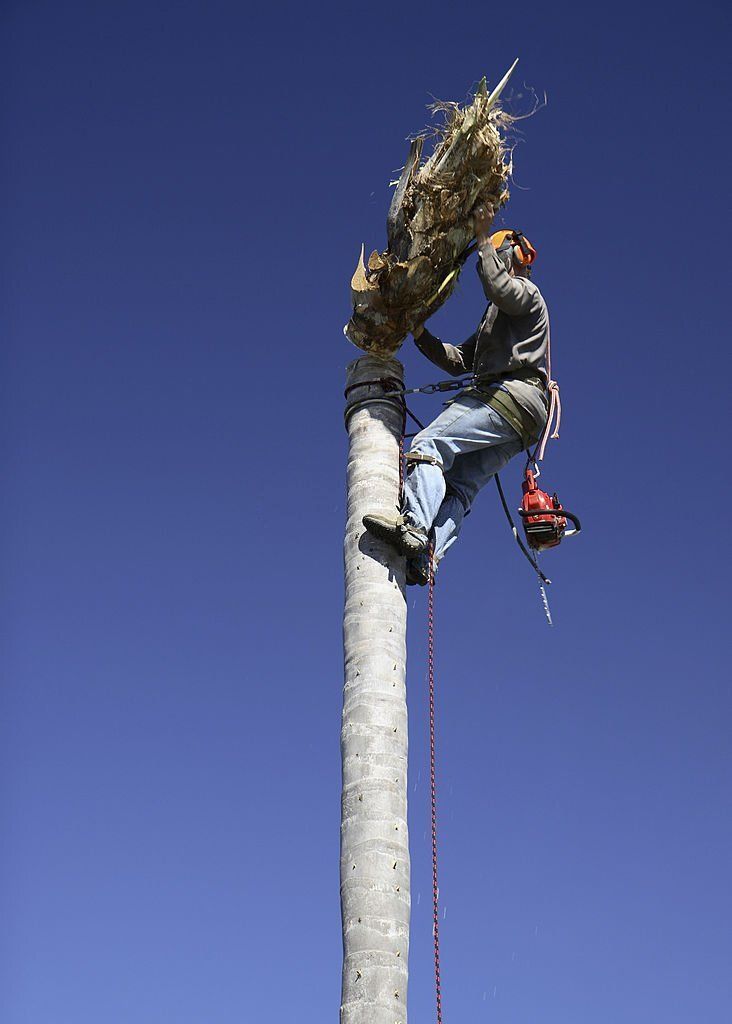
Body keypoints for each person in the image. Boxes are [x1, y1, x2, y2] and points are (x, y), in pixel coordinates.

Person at [363, 203, 551, 585]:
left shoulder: (526, 295)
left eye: (494, 255)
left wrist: (483, 236)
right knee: (461, 488)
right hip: (523, 417)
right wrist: (419, 335)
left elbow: (497, 286)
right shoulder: (497, 319)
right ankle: (427, 558)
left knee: (431, 444)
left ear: (506, 257)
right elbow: (459, 360)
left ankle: (414, 527)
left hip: (508, 397)